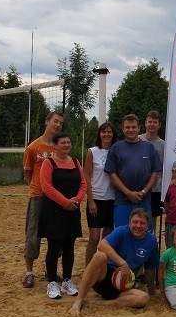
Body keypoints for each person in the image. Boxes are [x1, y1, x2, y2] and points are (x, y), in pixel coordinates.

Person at [68, 208, 159, 316]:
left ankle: (104, 303)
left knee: (143, 298)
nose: (138, 226)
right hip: (104, 278)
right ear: (129, 223)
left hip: (125, 284)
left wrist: (152, 291)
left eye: (142, 223)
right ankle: (79, 301)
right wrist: (123, 263)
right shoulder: (121, 231)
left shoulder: (152, 241)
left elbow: (150, 269)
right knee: (100, 256)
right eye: (135, 222)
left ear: (147, 226)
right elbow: (101, 245)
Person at [38, 131, 87, 299]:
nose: (66, 145)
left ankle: (67, 280)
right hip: (54, 211)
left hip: (72, 210)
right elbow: (46, 187)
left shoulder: (75, 162)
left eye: (68, 142)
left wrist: (77, 200)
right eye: (63, 143)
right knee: (53, 247)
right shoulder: (48, 162)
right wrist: (65, 202)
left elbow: (83, 183)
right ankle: (52, 282)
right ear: (55, 146)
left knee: (69, 247)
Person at [22, 111, 64, 288]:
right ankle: (29, 273)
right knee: (33, 235)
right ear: (47, 122)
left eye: (61, 123)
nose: (58, 125)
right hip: (38, 196)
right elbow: (28, 173)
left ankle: (51, 271)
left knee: (56, 236)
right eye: (55, 121)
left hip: (56, 198)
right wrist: (38, 187)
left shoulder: (59, 148)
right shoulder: (33, 147)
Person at [104, 114, 162, 231]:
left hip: (143, 199)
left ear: (139, 128)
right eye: (128, 127)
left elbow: (155, 172)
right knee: (123, 232)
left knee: (144, 232)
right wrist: (128, 193)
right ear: (123, 129)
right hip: (122, 200)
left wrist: (144, 192)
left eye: (133, 127)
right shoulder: (116, 148)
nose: (130, 130)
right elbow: (112, 175)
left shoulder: (149, 147)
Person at [84, 122, 117, 266]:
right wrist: (90, 200)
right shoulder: (93, 151)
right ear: (99, 134)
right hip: (96, 198)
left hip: (112, 199)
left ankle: (103, 267)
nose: (106, 134)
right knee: (94, 237)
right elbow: (86, 176)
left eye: (109, 132)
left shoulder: (116, 150)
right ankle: (88, 268)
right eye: (104, 132)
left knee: (107, 239)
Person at [139, 110, 165, 234]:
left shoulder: (163, 144)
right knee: (137, 215)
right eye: (150, 121)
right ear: (145, 123)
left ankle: (150, 239)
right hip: (138, 187)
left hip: (156, 188)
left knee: (152, 218)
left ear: (159, 125)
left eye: (155, 122)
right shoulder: (137, 140)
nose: (152, 124)